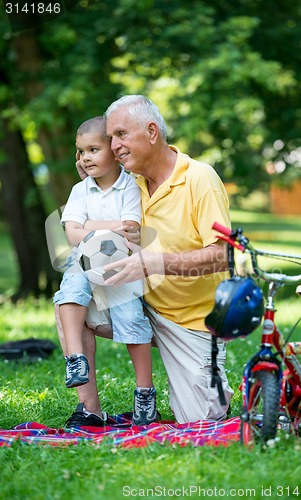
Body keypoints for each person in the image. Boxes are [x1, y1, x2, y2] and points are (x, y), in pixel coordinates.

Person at [56, 95, 234, 426]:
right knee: (70, 297)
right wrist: (89, 168)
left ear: (151, 131)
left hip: (190, 322)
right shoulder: (128, 181)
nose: (114, 145)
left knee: (202, 420)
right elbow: (85, 215)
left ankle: (208, 381)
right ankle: (89, 409)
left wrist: (153, 263)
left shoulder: (199, 178)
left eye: (121, 134)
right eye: (109, 139)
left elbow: (223, 255)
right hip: (136, 303)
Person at [53, 116, 157, 426]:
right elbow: (71, 235)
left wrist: (87, 226)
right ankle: (76, 359)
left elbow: (130, 231)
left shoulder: (129, 187)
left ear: (113, 150)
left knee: (133, 321)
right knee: (69, 291)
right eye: (81, 151)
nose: (85, 158)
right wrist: (105, 227)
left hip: (120, 266)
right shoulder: (80, 190)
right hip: (83, 262)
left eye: (93, 149)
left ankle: (145, 392)